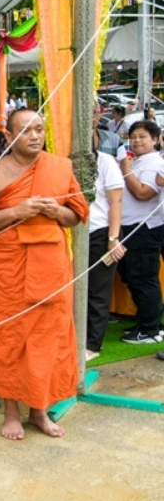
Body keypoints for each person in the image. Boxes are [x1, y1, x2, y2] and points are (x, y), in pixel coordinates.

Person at [0, 109, 88, 440]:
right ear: (8, 137)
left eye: (40, 129)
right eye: (26, 131)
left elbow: (76, 216)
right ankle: (10, 412)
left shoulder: (59, 168)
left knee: (46, 338)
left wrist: (56, 211)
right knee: (9, 339)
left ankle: (39, 410)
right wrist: (15, 212)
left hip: (50, 268)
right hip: (8, 270)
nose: (35, 136)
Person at [116, 120, 164, 344]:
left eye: (142, 136)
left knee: (143, 278)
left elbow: (144, 193)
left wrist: (125, 170)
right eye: (133, 136)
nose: (136, 140)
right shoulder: (139, 162)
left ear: (155, 140)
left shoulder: (153, 163)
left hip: (144, 227)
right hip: (131, 226)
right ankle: (148, 321)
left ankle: (151, 329)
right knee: (133, 276)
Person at [86, 129, 127, 361]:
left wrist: (113, 238)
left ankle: (92, 344)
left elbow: (116, 201)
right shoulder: (62, 162)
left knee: (96, 292)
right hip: (71, 234)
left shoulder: (105, 161)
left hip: (101, 234)